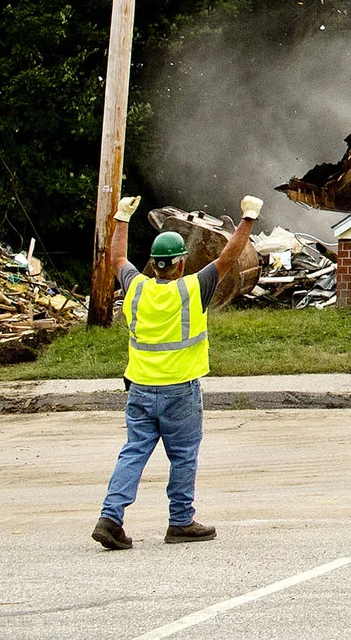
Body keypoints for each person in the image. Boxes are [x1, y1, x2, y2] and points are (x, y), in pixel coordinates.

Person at [91, 194, 262, 550]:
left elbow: (117, 257)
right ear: (181, 264)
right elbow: (228, 258)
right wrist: (247, 218)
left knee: (134, 451)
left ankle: (111, 517)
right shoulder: (192, 289)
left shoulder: (135, 287)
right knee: (183, 456)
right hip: (179, 393)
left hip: (140, 389)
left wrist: (122, 217)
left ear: (154, 265)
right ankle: (181, 521)